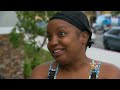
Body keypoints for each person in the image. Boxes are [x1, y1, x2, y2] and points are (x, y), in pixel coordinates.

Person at [31, 11, 120, 79]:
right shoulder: (41, 74)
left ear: (84, 37)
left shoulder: (108, 74)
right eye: (49, 37)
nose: (52, 42)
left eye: (61, 33)